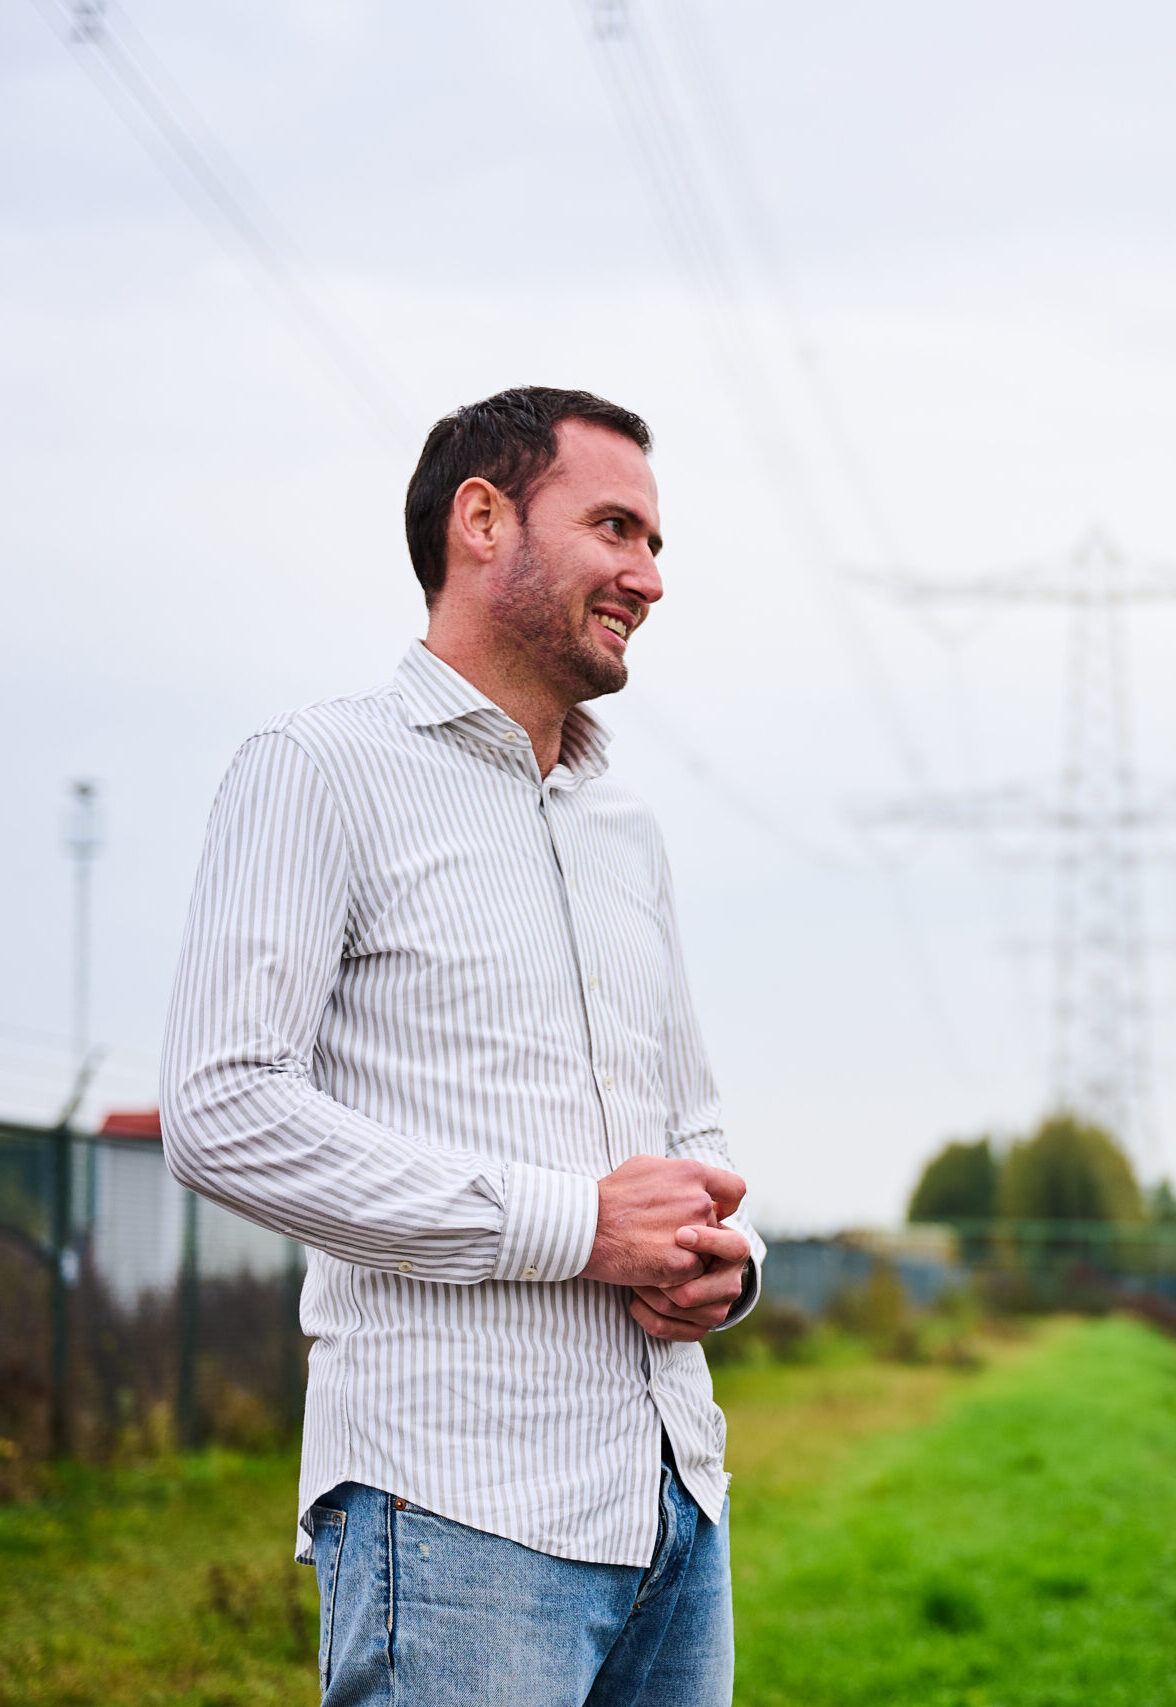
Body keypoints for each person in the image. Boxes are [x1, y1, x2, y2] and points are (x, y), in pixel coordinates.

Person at [161, 387, 761, 1706]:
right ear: (483, 521)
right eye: (617, 528)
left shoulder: (627, 833)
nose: (649, 579)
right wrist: (580, 1230)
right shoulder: (317, 770)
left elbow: (696, 1133)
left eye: (658, 545)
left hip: (675, 1507)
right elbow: (220, 1108)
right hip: (457, 1508)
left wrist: (726, 1267)